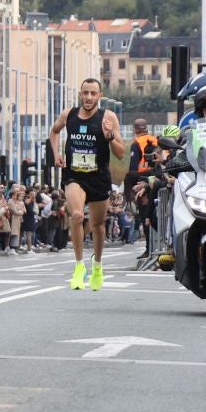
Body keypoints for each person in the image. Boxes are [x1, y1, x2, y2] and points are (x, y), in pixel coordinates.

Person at [49, 77, 127, 290]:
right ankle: (78, 266)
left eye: (93, 93)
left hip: (99, 177)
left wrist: (110, 136)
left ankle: (98, 265)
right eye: (85, 93)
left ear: (100, 96)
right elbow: (54, 131)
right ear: (80, 94)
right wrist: (55, 154)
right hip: (74, 175)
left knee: (98, 226)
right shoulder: (69, 115)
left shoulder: (108, 117)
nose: (89, 97)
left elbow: (120, 154)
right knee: (76, 215)